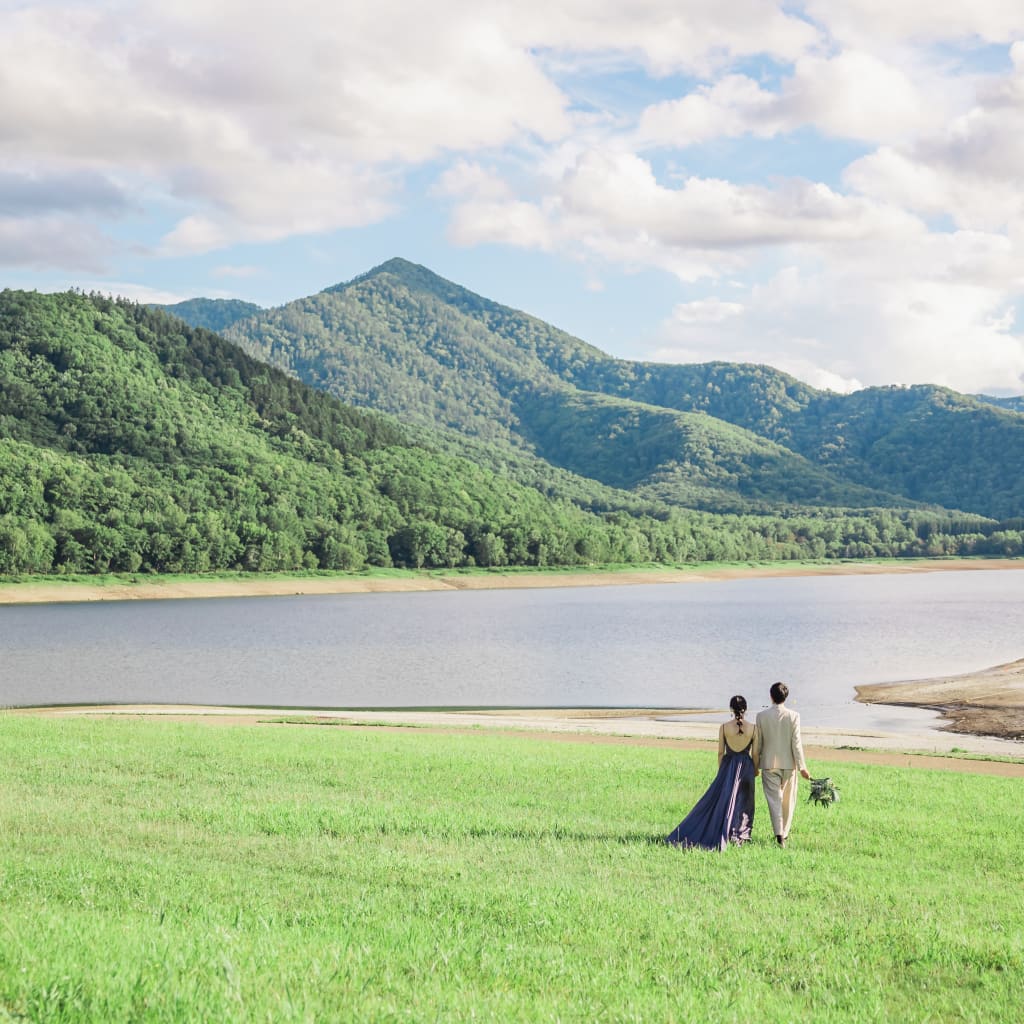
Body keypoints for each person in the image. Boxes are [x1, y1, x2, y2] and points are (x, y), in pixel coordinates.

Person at [666, 695, 759, 850]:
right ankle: (740, 834)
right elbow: (755, 754)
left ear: (731, 709)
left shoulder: (723, 727)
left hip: (728, 766)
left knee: (723, 801)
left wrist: (721, 771)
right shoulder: (754, 728)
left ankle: (727, 831)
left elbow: (720, 753)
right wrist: (755, 769)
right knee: (744, 803)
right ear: (746, 710)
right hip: (746, 768)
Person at [755, 681, 810, 848]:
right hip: (789, 764)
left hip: (769, 763)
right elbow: (796, 743)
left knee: (774, 801)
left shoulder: (761, 716)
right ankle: (783, 834)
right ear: (786, 697)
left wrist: (755, 765)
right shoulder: (794, 716)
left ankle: (779, 834)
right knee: (787, 801)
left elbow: (758, 744)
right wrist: (802, 767)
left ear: (771, 696)